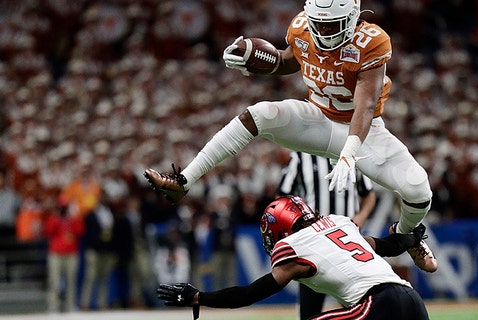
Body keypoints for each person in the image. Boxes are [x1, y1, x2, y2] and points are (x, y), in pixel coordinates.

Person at [144, 0, 436, 273]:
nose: (322, 30)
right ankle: (183, 182)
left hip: (363, 129)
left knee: (418, 189)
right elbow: (286, 61)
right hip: (318, 120)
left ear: (352, 19)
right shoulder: (302, 28)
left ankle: (405, 234)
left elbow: (366, 105)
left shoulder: (371, 41)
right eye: (317, 23)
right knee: (257, 114)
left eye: (331, 25)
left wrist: (349, 152)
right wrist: (253, 60)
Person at [157, 196, 431, 319]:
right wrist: (411, 237)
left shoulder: (294, 246)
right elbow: (387, 245)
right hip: (413, 301)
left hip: (377, 305)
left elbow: (250, 293)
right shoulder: (339, 222)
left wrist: (199, 297)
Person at [278, 151, 376, 319]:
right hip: (313, 246)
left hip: (347, 243)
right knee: (310, 311)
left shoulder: (352, 154)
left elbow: (369, 195)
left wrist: (360, 218)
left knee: (359, 308)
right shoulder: (301, 156)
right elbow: (282, 198)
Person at [43, 195, 85, 312]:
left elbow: (80, 231)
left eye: (65, 207)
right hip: (56, 253)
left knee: (71, 281)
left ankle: (70, 305)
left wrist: (74, 216)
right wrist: (56, 217)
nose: (64, 210)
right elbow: (48, 230)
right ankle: (53, 306)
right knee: (54, 281)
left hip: (71, 253)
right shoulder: (54, 218)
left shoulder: (74, 218)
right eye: (62, 207)